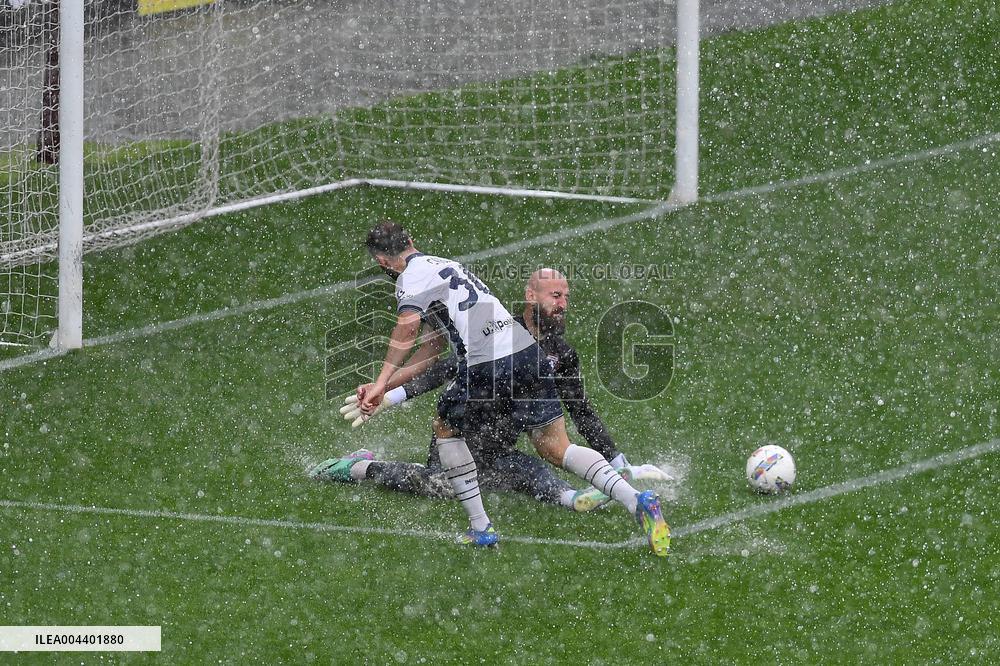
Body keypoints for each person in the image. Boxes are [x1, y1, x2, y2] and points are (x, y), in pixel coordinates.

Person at [323, 221, 669, 555]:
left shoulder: (410, 279)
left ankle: (481, 529)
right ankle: (635, 499)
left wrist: (382, 381)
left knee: (446, 429)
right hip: (526, 354)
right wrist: (384, 387)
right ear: (409, 240)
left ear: (382, 261)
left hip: (487, 363)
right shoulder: (445, 265)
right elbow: (432, 348)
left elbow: (407, 329)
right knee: (556, 447)